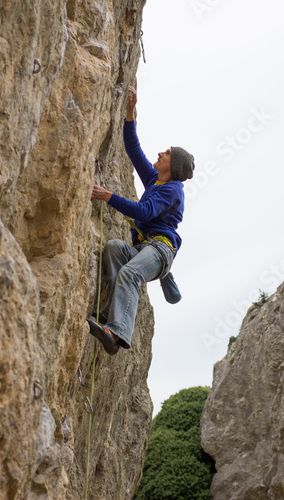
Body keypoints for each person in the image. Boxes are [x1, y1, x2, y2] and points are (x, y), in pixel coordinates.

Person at [87, 86, 195, 355]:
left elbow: (145, 212)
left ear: (174, 166)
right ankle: (109, 313)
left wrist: (109, 196)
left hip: (160, 249)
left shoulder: (172, 190)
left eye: (167, 153)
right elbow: (133, 149)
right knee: (112, 247)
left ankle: (117, 333)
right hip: (143, 247)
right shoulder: (154, 180)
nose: (160, 153)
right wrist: (129, 113)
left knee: (131, 273)